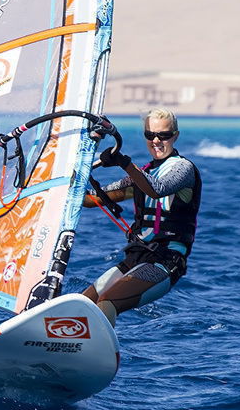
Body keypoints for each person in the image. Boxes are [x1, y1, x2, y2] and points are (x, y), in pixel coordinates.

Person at [82, 108, 202, 326]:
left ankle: (100, 346)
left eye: (163, 135)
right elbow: (92, 200)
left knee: (108, 302)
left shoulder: (183, 169)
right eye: (150, 135)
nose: (156, 141)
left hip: (165, 262)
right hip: (136, 258)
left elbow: (157, 189)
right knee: (83, 303)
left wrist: (124, 163)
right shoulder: (143, 173)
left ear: (175, 136)